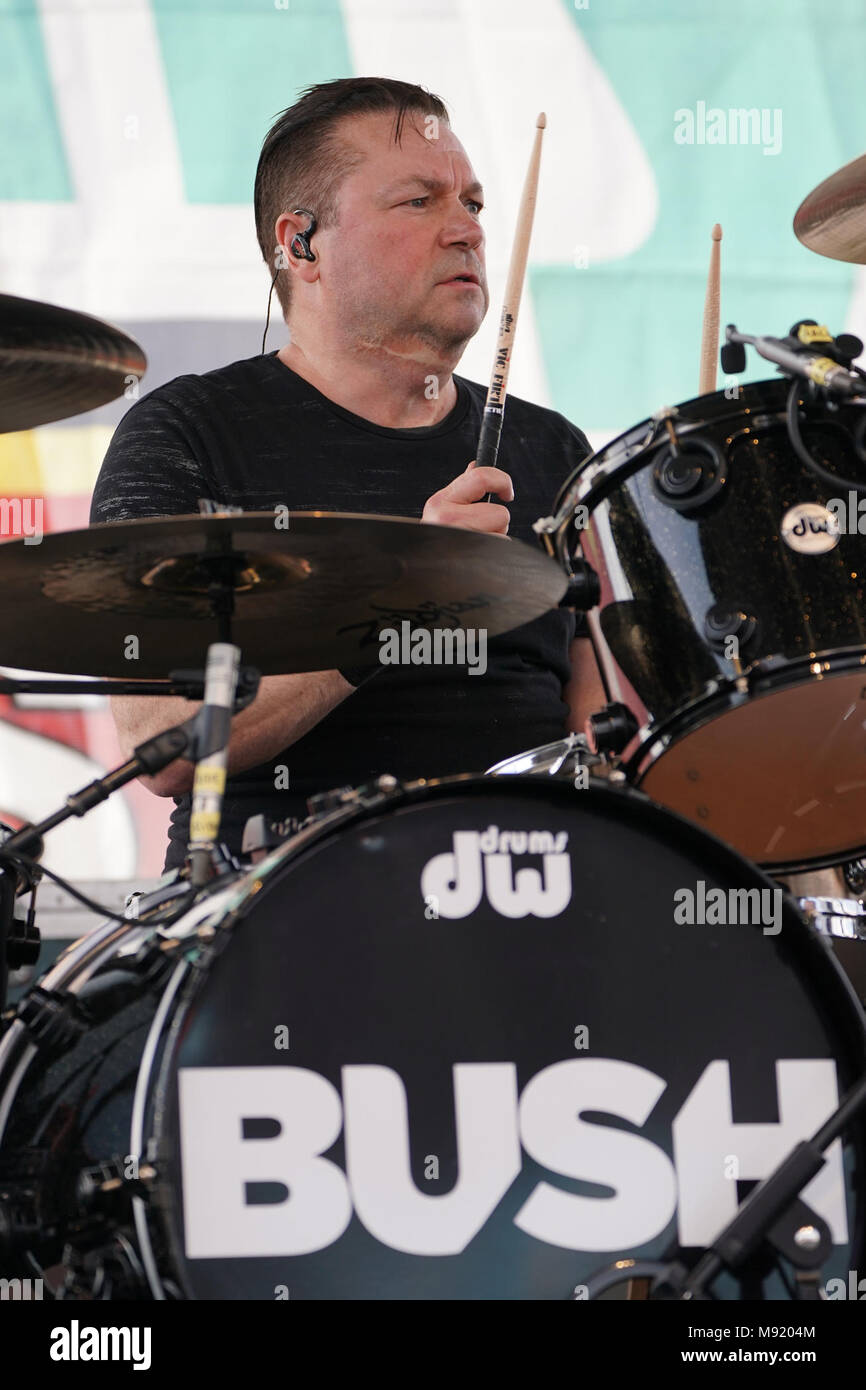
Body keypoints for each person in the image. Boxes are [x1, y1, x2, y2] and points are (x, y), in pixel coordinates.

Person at [90, 76, 606, 873]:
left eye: (472, 203)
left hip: (531, 913)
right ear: (301, 244)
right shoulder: (189, 435)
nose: (466, 228)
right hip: (281, 923)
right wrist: (405, 592)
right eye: (420, 201)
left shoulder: (553, 449)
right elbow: (160, 741)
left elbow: (598, 734)